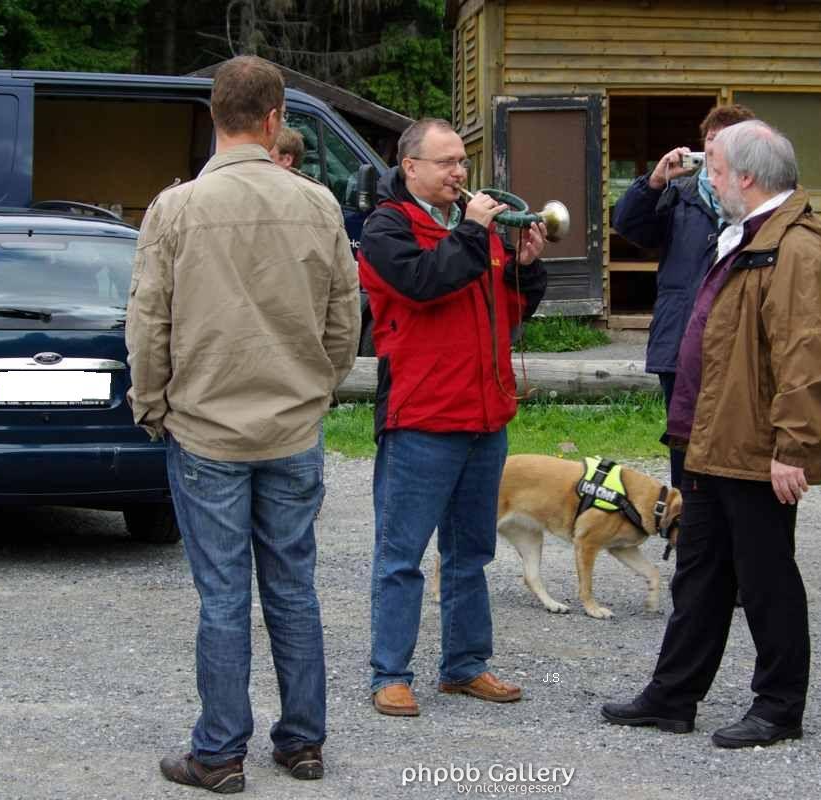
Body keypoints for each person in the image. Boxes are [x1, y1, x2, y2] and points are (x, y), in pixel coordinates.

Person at [126, 55, 360, 792]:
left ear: (213, 116)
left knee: (223, 596)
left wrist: (150, 402)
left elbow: (149, 323)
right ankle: (303, 743)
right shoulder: (318, 204)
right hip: (292, 427)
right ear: (274, 118)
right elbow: (344, 320)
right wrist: (316, 390)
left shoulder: (175, 208)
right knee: (293, 588)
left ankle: (220, 752)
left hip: (206, 430)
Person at [602, 120, 821, 748]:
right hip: (709, 439)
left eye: (713, 171)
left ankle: (779, 707)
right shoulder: (747, 234)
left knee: (765, 578)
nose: (706, 181)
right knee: (699, 574)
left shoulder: (796, 248)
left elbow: (809, 357)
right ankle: (673, 696)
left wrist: (793, 448)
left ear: (746, 177)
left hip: (753, 445)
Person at [357, 118, 548, 717]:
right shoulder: (385, 226)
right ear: (410, 166)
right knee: (401, 555)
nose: (459, 172)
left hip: (484, 415)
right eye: (446, 162)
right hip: (421, 418)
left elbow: (507, 309)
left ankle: (464, 666)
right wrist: (472, 232)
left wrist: (525, 266)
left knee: (471, 553)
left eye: (462, 162)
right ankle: (390, 673)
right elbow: (423, 284)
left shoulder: (474, 227)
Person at [611, 104, 754, 491]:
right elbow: (628, 225)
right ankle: (688, 522)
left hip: (738, 342)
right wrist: (655, 180)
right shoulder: (680, 192)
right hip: (681, 338)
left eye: (725, 142)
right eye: (710, 141)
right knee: (685, 445)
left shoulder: (757, 202)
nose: (714, 150)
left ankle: (732, 519)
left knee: (737, 441)